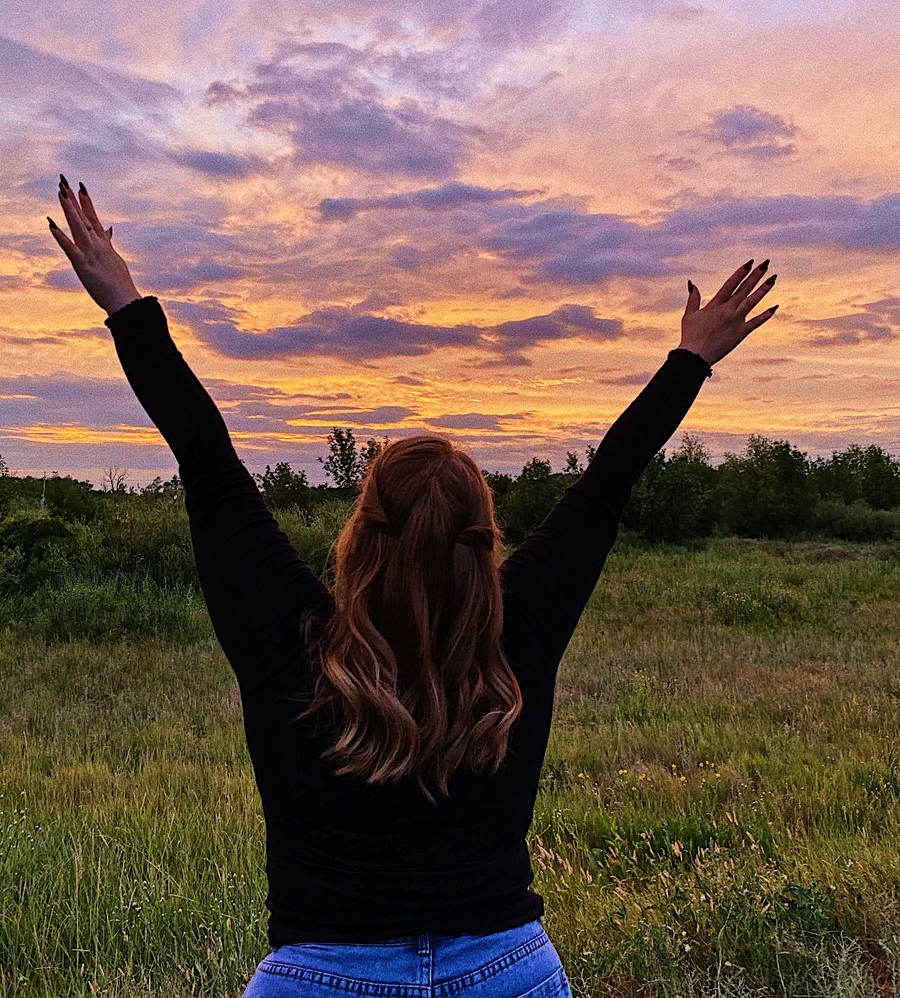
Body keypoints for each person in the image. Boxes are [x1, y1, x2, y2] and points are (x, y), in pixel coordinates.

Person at [48, 174, 778, 998]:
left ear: (360, 537)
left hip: (318, 974)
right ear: (484, 540)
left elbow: (207, 461)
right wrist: (689, 359)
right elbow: (605, 486)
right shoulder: (519, 634)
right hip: (509, 972)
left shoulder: (291, 643)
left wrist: (126, 303)